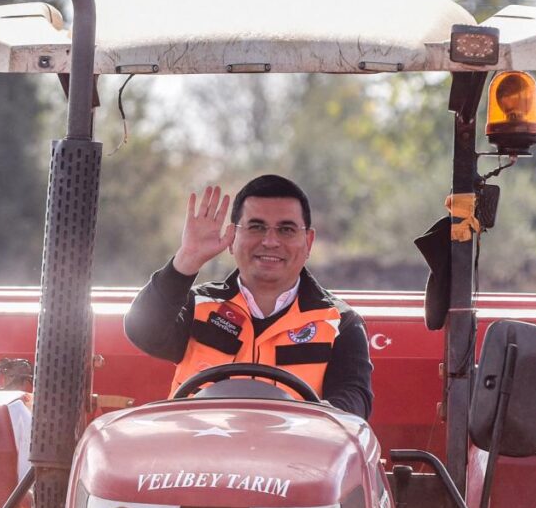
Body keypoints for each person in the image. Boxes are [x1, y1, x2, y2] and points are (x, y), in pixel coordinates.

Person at [124, 174, 373, 418]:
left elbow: (353, 402)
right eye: (256, 227)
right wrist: (187, 259)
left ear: (308, 241)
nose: (270, 241)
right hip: (195, 452)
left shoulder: (340, 322)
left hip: (293, 457)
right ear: (232, 239)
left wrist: (314, 421)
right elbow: (142, 330)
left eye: (286, 229)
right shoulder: (198, 305)